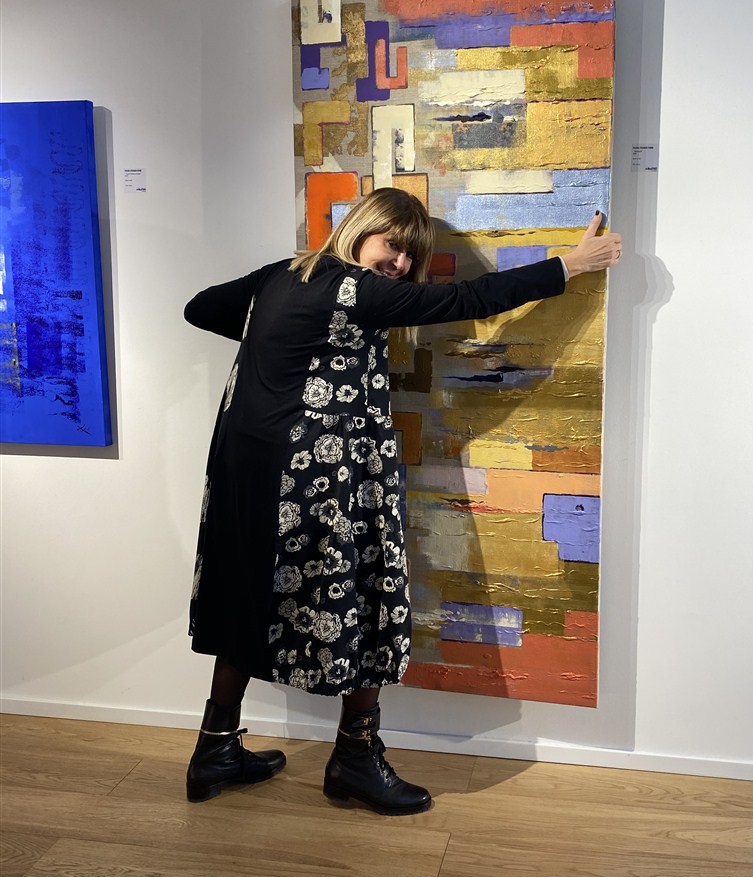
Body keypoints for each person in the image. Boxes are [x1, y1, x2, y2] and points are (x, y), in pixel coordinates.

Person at [183, 187, 622, 813]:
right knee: (365, 594)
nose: (400, 264)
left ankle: (215, 749)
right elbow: (468, 299)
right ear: (361, 229)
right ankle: (355, 760)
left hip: (245, 469)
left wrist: (281, 339)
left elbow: (200, 308)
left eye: (410, 256)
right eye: (393, 246)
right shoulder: (356, 290)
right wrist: (570, 265)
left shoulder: (281, 276)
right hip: (325, 474)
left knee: (246, 594)